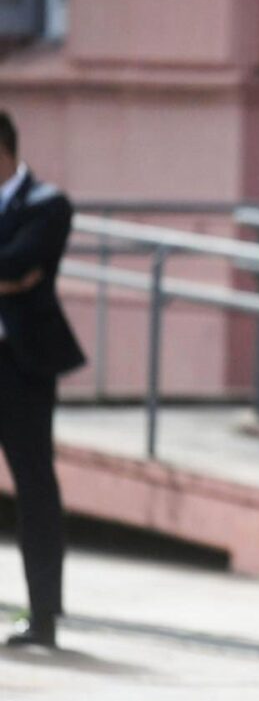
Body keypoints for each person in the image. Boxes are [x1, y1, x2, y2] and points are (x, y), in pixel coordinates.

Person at [0, 110, 86, 648]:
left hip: (21, 368)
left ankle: (43, 616)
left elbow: (21, 265)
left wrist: (14, 274)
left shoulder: (47, 203)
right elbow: (12, 272)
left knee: (35, 489)